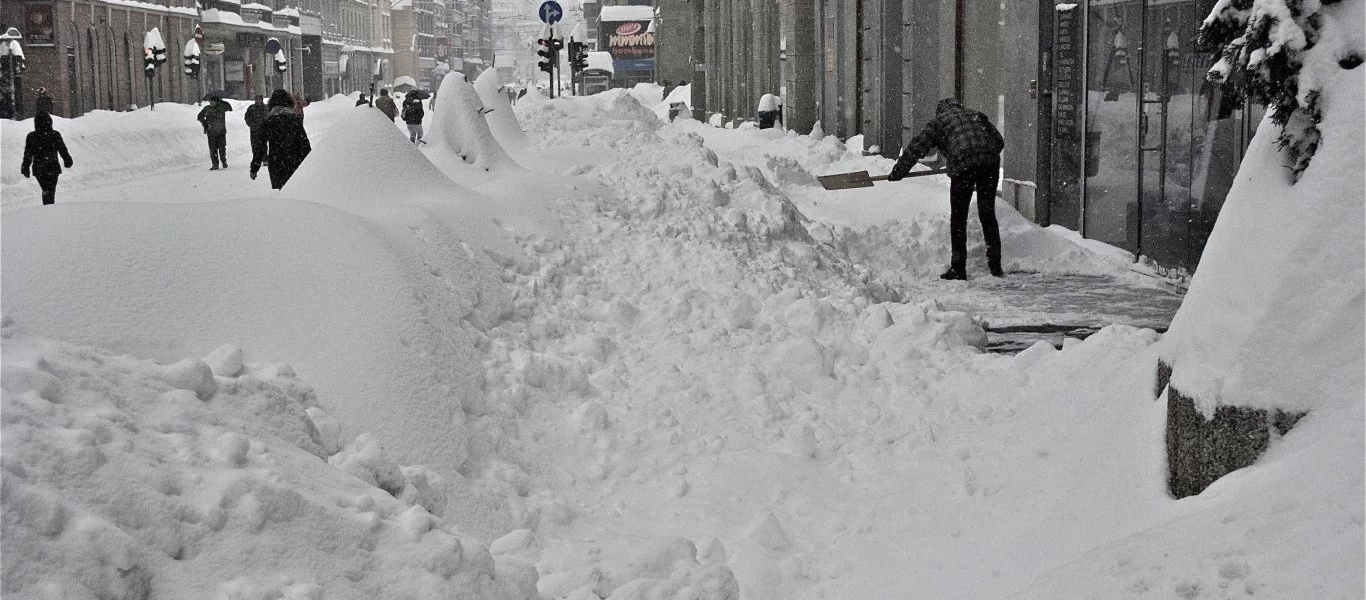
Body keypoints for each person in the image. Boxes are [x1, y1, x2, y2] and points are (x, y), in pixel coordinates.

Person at [888, 97, 1005, 280]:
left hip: (963, 165)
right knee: (987, 213)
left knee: (959, 218)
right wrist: (983, 154)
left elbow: (917, 147)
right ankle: (995, 266)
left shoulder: (939, 122)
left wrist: (898, 171)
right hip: (989, 163)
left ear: (940, 111)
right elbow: (999, 141)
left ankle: (958, 269)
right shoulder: (976, 115)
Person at [250, 89, 311, 190]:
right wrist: (308, 164)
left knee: (280, 195)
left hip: (276, 163)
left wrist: (254, 168)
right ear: (289, 103)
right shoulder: (294, 121)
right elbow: (305, 145)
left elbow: (260, 148)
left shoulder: (268, 122)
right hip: (294, 163)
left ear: (271, 104)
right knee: (294, 192)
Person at [20, 112, 74, 205]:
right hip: (53, 167)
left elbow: (28, 154)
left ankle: (47, 206)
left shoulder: (32, 136)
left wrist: (25, 167)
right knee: (51, 189)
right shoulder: (55, 135)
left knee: (46, 188)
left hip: (39, 168)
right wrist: (67, 160)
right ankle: (49, 207)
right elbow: (62, 149)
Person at [197, 96, 233, 170]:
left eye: (212, 101)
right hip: (211, 132)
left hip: (221, 131)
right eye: (210, 101)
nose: (211, 103)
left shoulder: (222, 107)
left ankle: (223, 161)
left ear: (216, 102)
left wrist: (221, 101)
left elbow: (229, 107)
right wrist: (205, 124)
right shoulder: (207, 108)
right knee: (212, 149)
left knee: (222, 148)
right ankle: (215, 164)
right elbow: (199, 116)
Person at [244, 95, 268, 166]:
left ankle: (265, 159)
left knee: (263, 145)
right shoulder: (251, 108)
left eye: (259, 99)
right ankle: (256, 159)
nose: (258, 101)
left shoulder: (266, 108)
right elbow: (247, 117)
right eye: (257, 99)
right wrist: (251, 124)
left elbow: (269, 117)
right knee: (254, 145)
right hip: (254, 130)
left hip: (264, 130)